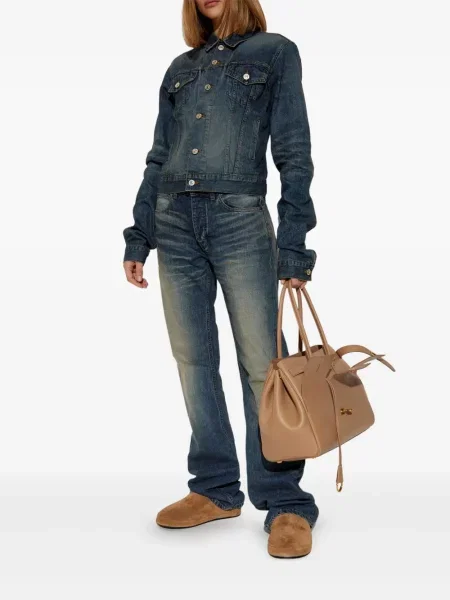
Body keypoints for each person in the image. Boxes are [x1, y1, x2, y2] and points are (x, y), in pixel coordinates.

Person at [123, 0, 318, 559]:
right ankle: (214, 488)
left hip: (239, 220)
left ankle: (285, 500)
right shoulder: (180, 68)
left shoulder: (275, 52)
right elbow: (158, 156)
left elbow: (294, 152)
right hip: (173, 221)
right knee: (193, 361)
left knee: (264, 367)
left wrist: (294, 246)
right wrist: (140, 234)